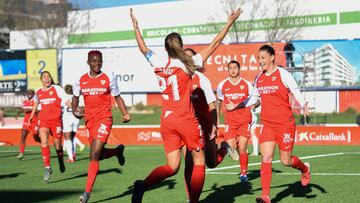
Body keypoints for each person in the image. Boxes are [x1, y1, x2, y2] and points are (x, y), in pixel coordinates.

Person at [130, 7, 241, 203]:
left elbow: (144, 49)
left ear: (166, 49)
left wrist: (136, 27)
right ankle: (195, 201)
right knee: (200, 162)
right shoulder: (189, 63)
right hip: (185, 120)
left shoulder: (158, 63)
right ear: (181, 47)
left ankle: (143, 185)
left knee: (172, 166)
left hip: (166, 121)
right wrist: (229, 23)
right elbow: (215, 44)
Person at [225, 45, 311, 203]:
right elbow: (253, 98)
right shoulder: (259, 78)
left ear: (272, 58)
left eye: (263, 58)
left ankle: (304, 169)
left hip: (285, 123)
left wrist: (303, 104)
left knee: (286, 161)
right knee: (266, 157)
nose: (260, 61)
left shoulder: (282, 74)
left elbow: (295, 89)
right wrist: (236, 105)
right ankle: (266, 196)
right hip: (268, 124)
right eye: (258, 58)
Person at [72, 50, 131, 203]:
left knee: (94, 155)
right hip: (89, 121)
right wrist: (74, 111)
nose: (97, 63)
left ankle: (86, 193)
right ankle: (117, 151)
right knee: (98, 154)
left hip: (105, 119)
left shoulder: (108, 78)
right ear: (88, 62)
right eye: (94, 61)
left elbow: (117, 96)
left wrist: (125, 113)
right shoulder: (81, 80)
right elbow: (75, 97)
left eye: (100, 61)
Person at [182, 48, 229, 200]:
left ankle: (224, 149)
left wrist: (214, 126)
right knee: (189, 164)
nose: (187, 60)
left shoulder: (202, 79)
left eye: (190, 57)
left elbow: (213, 105)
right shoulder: (178, 78)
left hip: (205, 126)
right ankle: (191, 198)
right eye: (185, 57)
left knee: (211, 163)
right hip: (188, 128)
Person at [216, 60, 255, 182]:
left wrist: (254, 104)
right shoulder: (222, 85)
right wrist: (216, 117)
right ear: (227, 70)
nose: (232, 70)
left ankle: (243, 173)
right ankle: (223, 145)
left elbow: (254, 98)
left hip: (244, 120)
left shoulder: (247, 84)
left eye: (235, 67)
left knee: (242, 147)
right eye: (230, 68)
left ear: (239, 69)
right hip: (230, 121)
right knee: (231, 149)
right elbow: (218, 101)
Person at [29, 71, 66, 181]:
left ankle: (60, 160)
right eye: (44, 77)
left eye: (49, 77)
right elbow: (36, 102)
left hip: (56, 122)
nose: (47, 78)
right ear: (41, 80)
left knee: (58, 146)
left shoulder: (56, 89)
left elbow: (66, 100)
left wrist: (74, 108)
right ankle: (47, 167)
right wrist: (32, 115)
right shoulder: (38, 91)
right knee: (44, 142)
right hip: (43, 120)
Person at [62, 84, 85, 163]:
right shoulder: (77, 98)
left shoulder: (64, 97)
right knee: (73, 138)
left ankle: (71, 157)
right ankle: (73, 155)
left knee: (68, 139)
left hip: (67, 119)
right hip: (76, 119)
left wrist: (71, 106)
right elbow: (82, 109)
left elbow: (62, 107)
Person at [15, 90, 40, 160]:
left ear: (33, 94)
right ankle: (21, 154)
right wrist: (17, 114)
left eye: (30, 93)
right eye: (28, 93)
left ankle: (44, 143)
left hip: (34, 122)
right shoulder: (25, 102)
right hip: (26, 122)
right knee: (23, 136)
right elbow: (23, 109)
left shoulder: (36, 102)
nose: (29, 94)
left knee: (36, 138)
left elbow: (38, 110)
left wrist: (30, 110)